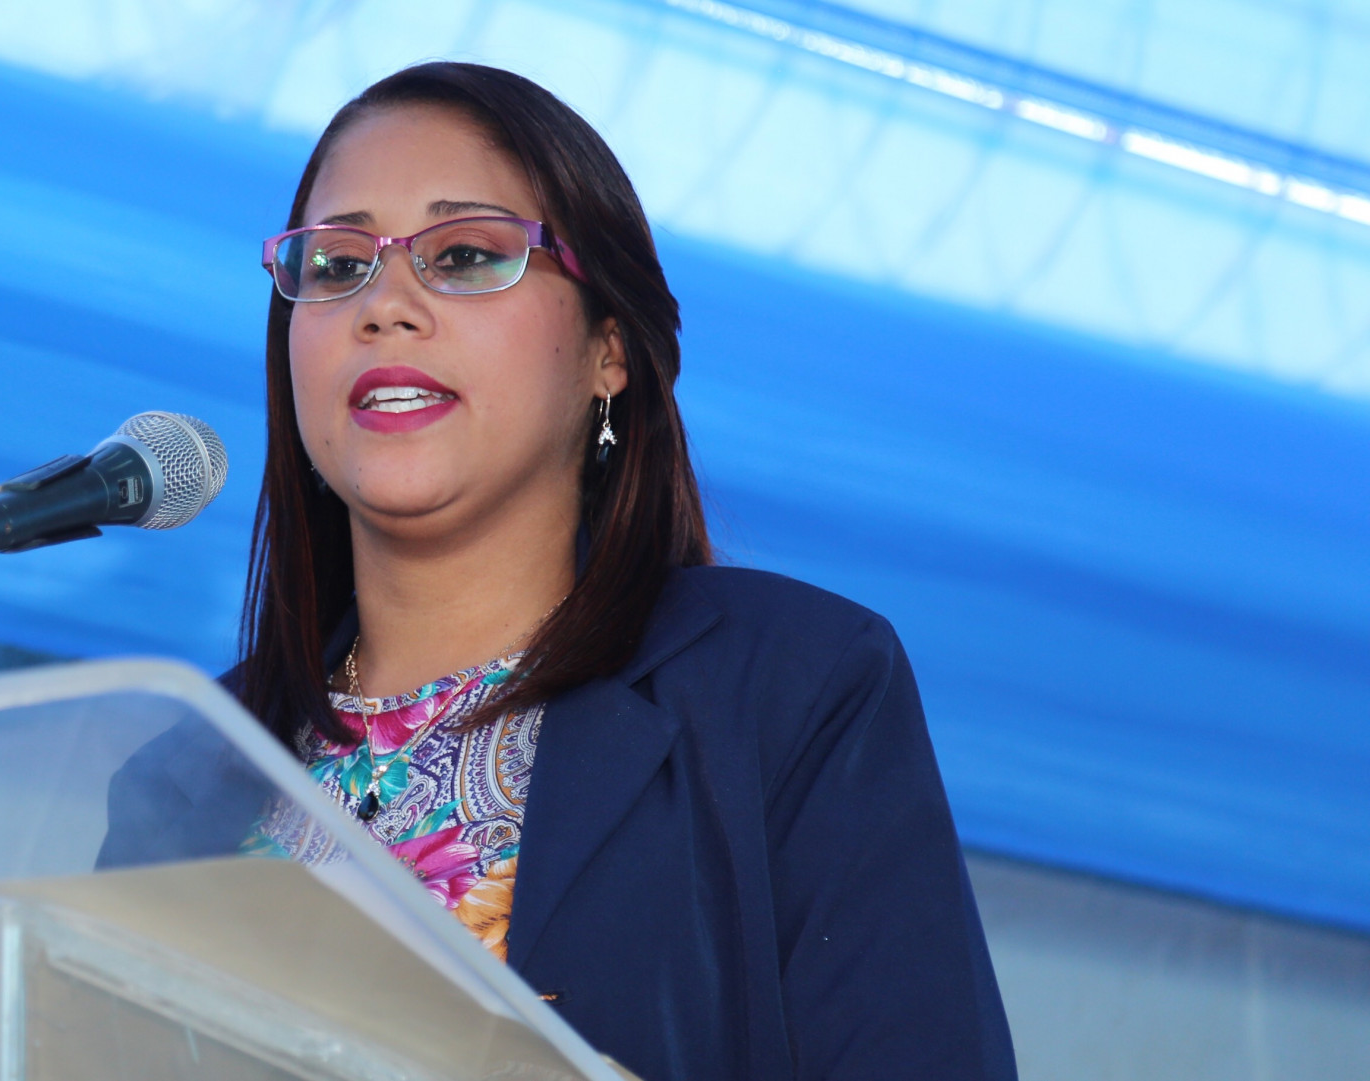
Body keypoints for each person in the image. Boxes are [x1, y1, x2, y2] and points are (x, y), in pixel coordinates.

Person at [105, 61, 1015, 1080]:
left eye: (464, 254)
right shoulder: (187, 772)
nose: (385, 304)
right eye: (337, 264)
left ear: (608, 350)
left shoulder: (787, 684)